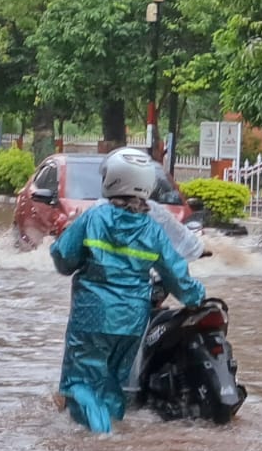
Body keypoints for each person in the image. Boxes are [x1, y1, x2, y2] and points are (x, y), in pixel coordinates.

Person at [51, 147, 205, 433]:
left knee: (79, 384)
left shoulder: (92, 218)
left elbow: (63, 260)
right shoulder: (153, 229)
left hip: (92, 318)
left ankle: (103, 440)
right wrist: (196, 297)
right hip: (133, 320)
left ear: (111, 180)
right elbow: (177, 276)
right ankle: (111, 436)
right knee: (112, 386)